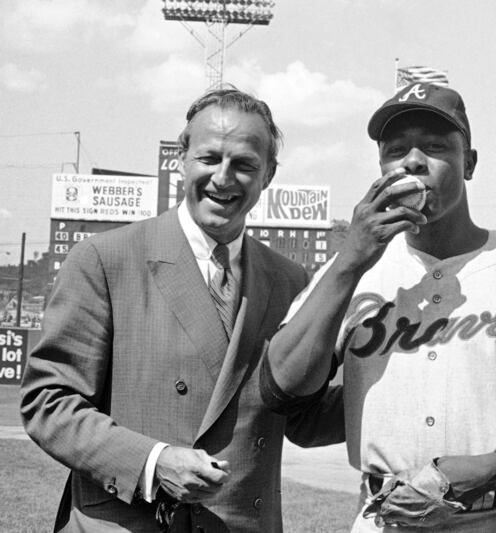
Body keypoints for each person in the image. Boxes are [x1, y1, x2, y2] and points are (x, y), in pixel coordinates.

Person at [20, 87, 343, 532]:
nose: (224, 178)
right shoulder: (105, 259)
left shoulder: (291, 282)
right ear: (181, 160)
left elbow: (304, 418)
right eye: (210, 159)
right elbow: (49, 402)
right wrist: (154, 463)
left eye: (245, 164)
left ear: (268, 174)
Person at [260, 82, 496, 532]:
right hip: (385, 517)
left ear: (469, 163)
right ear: (381, 168)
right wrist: (350, 260)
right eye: (395, 150)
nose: (412, 161)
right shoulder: (351, 269)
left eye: (434, 146)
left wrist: (487, 471)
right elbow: (282, 386)